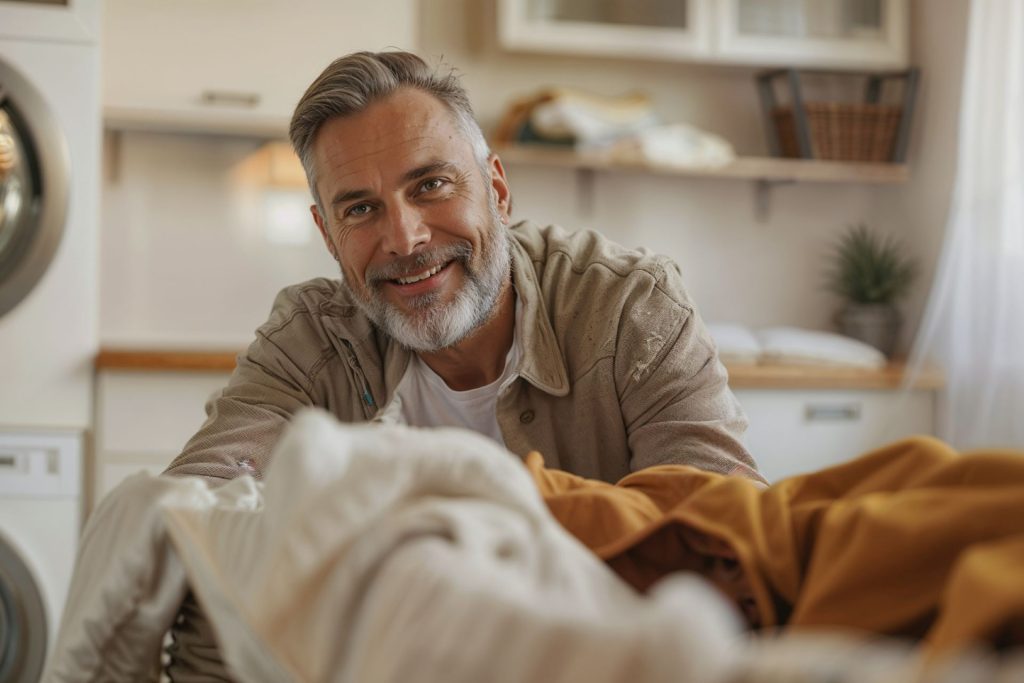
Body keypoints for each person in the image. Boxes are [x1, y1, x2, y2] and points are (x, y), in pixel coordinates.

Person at [162, 50, 763, 679]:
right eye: (361, 209)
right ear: (328, 234)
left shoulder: (628, 305)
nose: (405, 238)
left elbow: (732, 541)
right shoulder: (309, 338)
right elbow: (197, 511)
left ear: (497, 190)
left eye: (430, 185)